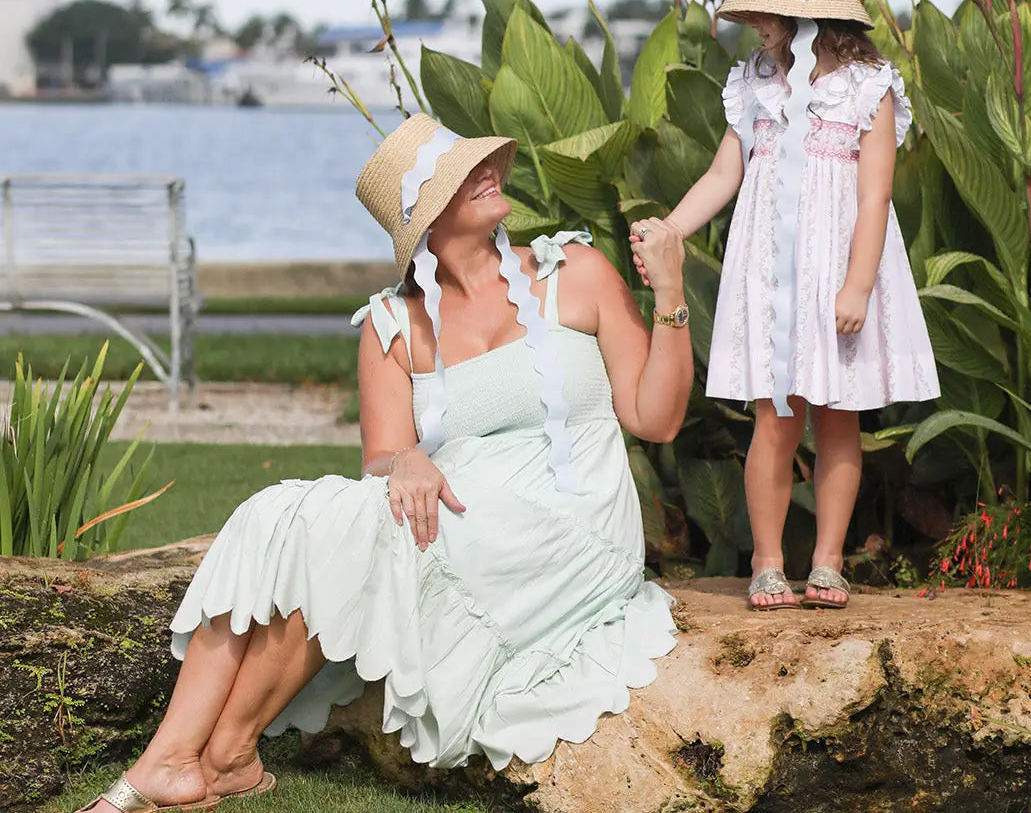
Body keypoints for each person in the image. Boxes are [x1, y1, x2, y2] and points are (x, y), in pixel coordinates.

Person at [76, 114, 692, 813]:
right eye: (461, 175)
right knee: (276, 516)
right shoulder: (391, 325)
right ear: (424, 220)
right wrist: (406, 459)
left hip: (573, 531)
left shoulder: (573, 274)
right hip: (459, 518)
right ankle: (209, 759)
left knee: (340, 534)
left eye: (480, 163)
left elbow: (656, 418)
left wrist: (671, 295)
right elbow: (382, 456)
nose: (487, 172)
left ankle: (193, 758)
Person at [632, 0, 938, 614]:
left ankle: (828, 559)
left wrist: (858, 284)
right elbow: (725, 174)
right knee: (775, 418)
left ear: (812, 15)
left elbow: (875, 196)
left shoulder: (868, 88)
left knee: (837, 420)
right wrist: (671, 229)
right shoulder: (755, 84)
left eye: (767, 13)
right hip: (772, 272)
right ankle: (767, 561)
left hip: (837, 273)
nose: (756, 27)